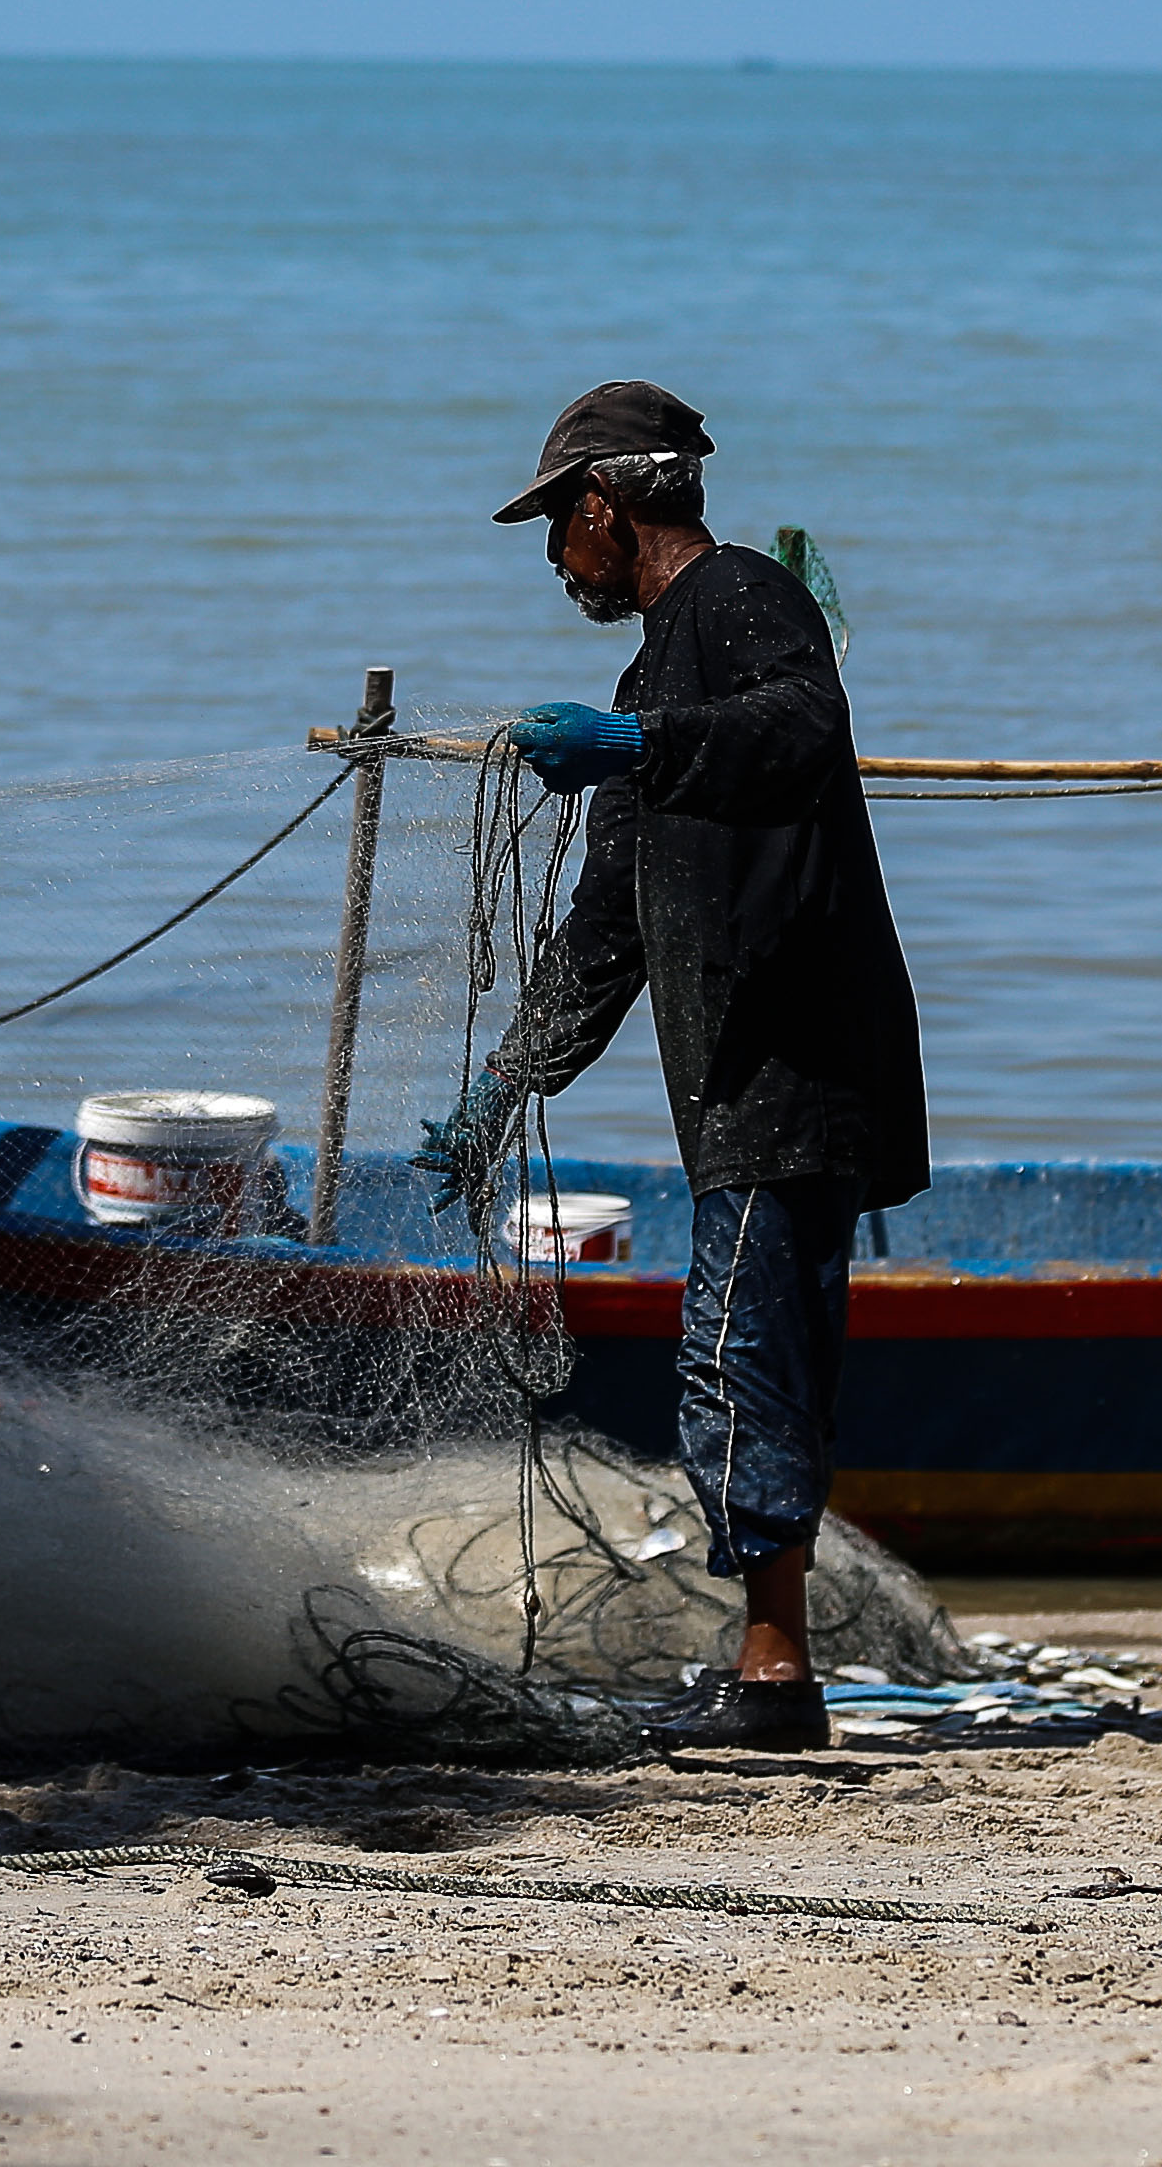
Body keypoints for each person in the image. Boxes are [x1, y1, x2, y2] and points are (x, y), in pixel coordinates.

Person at [419, 381, 929, 1752]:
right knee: (735, 1355)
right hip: (734, 1079)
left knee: (736, 1355)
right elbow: (608, 926)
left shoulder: (746, 599)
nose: (554, 561)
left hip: (793, 1061)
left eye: (557, 530)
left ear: (604, 507)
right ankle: (771, 1667)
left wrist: (639, 743)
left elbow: (803, 725)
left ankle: (774, 1682)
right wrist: (503, 1088)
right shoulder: (652, 670)